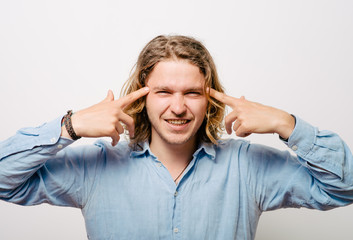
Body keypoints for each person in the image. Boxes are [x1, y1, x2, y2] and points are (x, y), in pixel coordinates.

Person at [0, 35, 352, 240]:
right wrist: (70, 126)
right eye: (164, 91)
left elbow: (344, 187)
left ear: (210, 98)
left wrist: (285, 123)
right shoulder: (97, 165)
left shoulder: (248, 166)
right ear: (142, 95)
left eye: (193, 93)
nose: (178, 107)